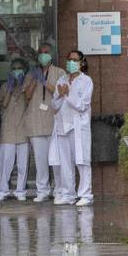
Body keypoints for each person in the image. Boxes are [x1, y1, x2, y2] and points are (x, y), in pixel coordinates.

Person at [50, 50, 94, 206]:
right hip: (62, 126)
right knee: (65, 163)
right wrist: (60, 95)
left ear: (81, 62)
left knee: (82, 161)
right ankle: (68, 194)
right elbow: (54, 106)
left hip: (78, 127)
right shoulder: (61, 79)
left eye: (74, 60)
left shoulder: (86, 81)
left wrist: (67, 94)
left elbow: (82, 105)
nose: (71, 62)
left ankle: (86, 195)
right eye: (69, 59)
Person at [23, 42, 65, 202]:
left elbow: (60, 92)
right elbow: (26, 96)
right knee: (40, 160)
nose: (43, 55)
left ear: (51, 55)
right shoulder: (31, 73)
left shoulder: (59, 72)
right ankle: (42, 190)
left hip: (53, 122)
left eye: (46, 52)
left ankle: (59, 189)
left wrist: (45, 82)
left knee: (56, 159)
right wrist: (35, 79)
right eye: (40, 53)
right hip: (36, 122)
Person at [0, 58, 32, 201]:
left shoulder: (27, 86)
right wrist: (10, 89)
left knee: (23, 163)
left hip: (23, 128)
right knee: (6, 162)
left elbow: (29, 102)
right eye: (14, 68)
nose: (17, 71)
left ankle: (20, 190)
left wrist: (23, 87)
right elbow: (3, 105)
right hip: (8, 129)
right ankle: (3, 190)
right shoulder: (5, 86)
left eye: (19, 68)